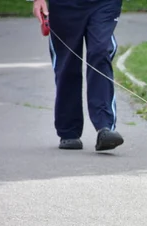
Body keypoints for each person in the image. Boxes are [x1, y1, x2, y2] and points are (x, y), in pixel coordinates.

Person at [33, 0, 124, 151]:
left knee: (100, 52)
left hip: (105, 3)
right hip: (64, 6)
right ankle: (69, 131)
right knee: (67, 62)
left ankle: (104, 127)